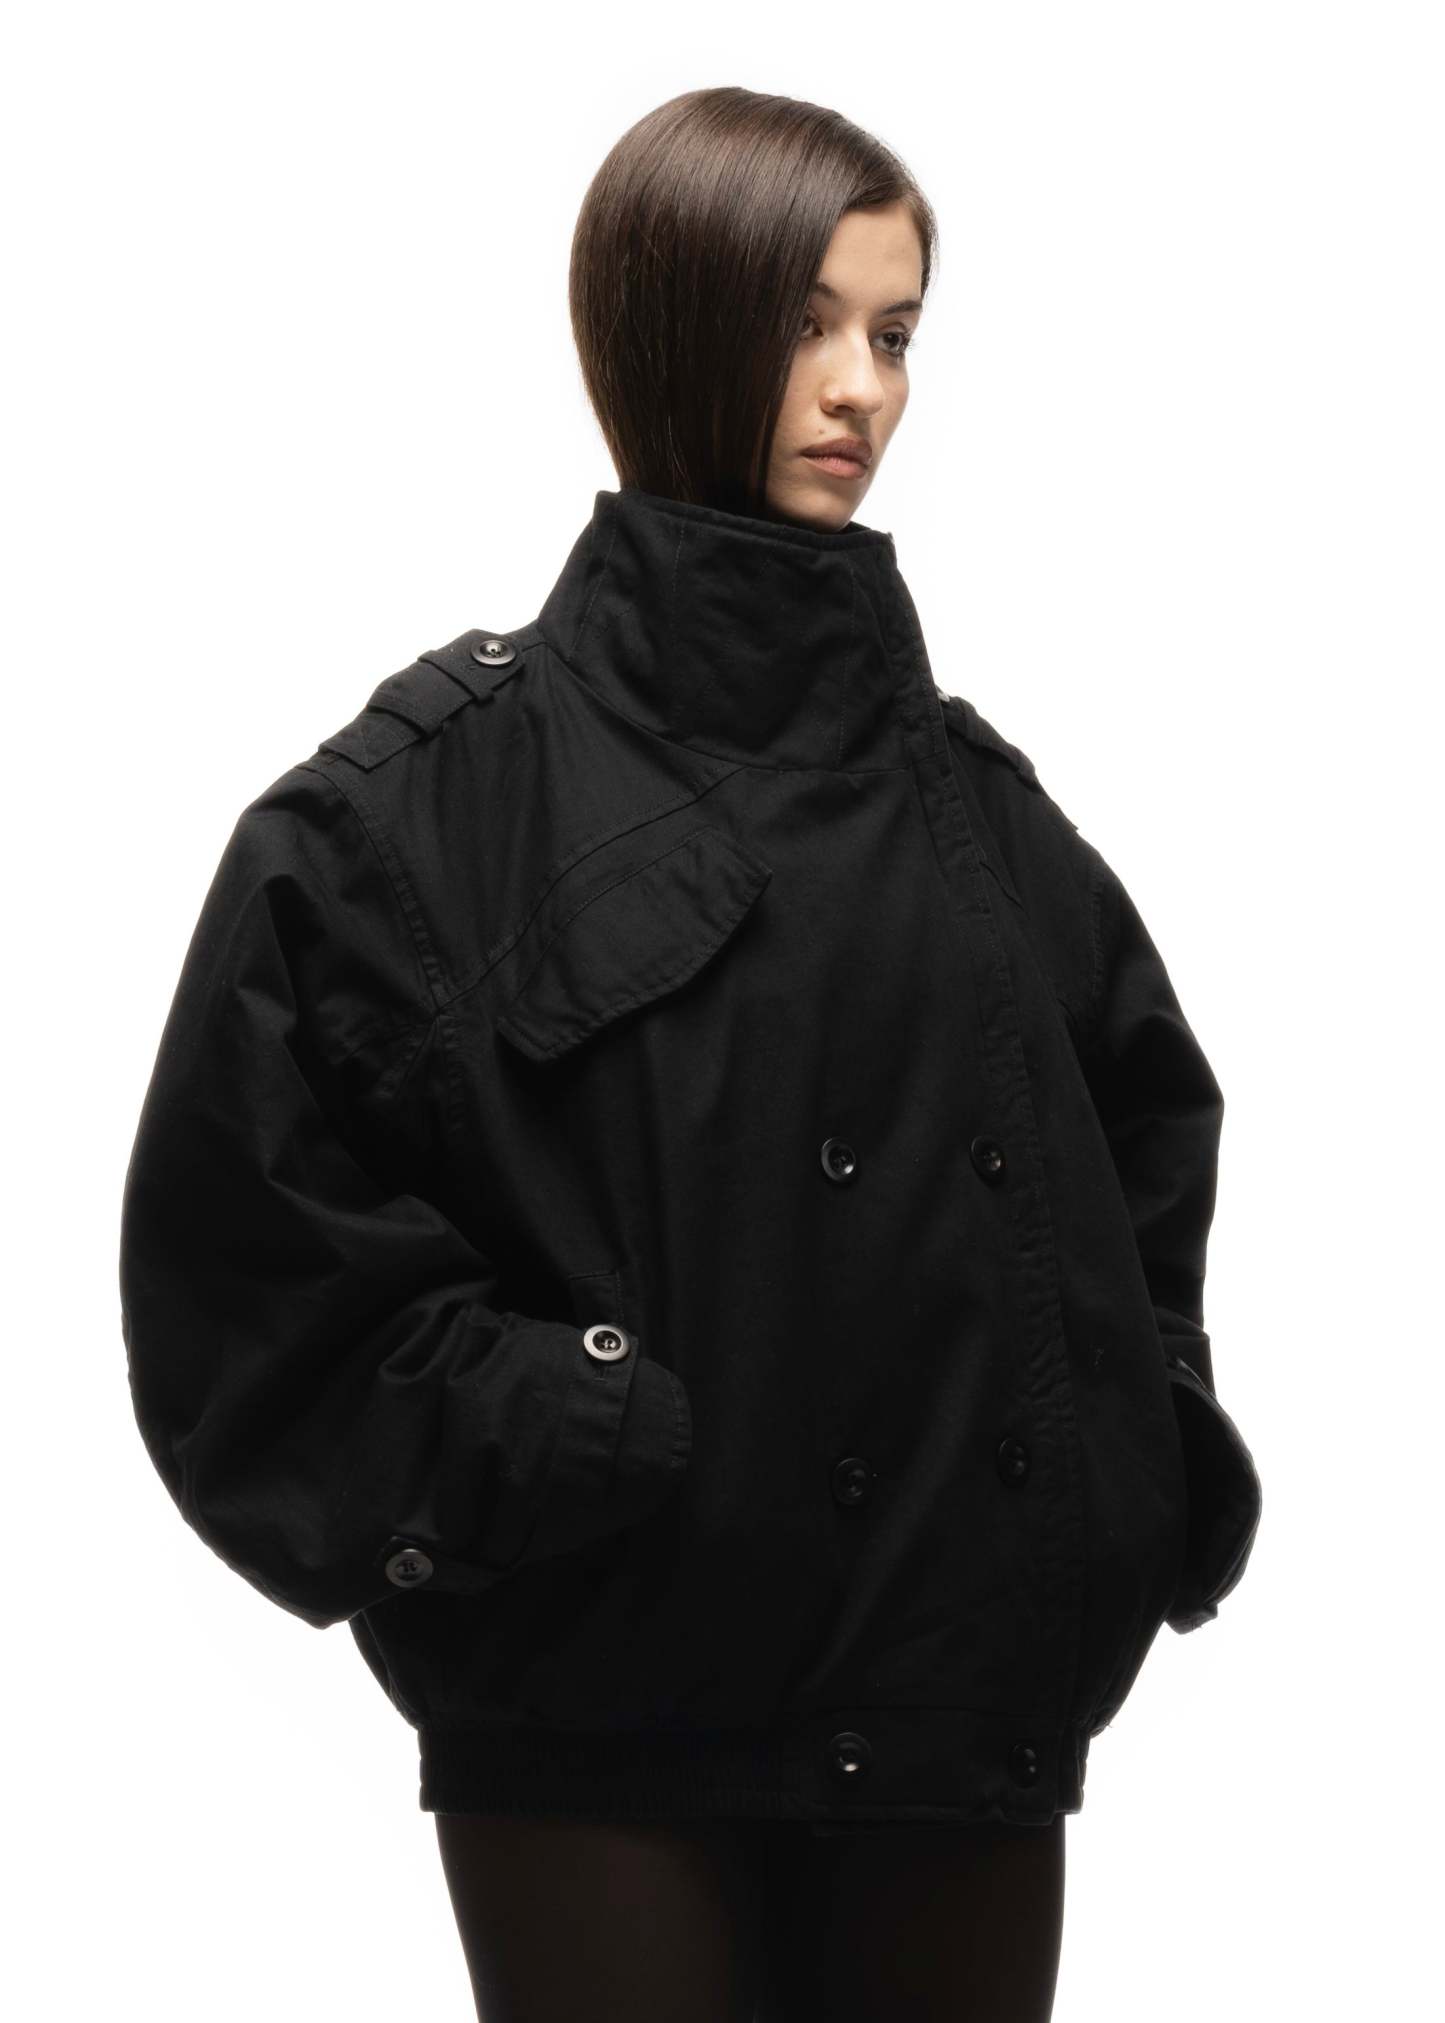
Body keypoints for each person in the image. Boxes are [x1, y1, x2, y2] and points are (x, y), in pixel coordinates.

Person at [119, 84, 1259, 2023]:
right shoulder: (417, 816)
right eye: (806, 324)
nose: (862, 389)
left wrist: (1134, 1461)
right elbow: (243, 1271)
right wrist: (569, 1431)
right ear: (669, 326)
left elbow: (1141, 1136)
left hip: (956, 1725)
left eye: (894, 332)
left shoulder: (985, 818)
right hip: (602, 1725)